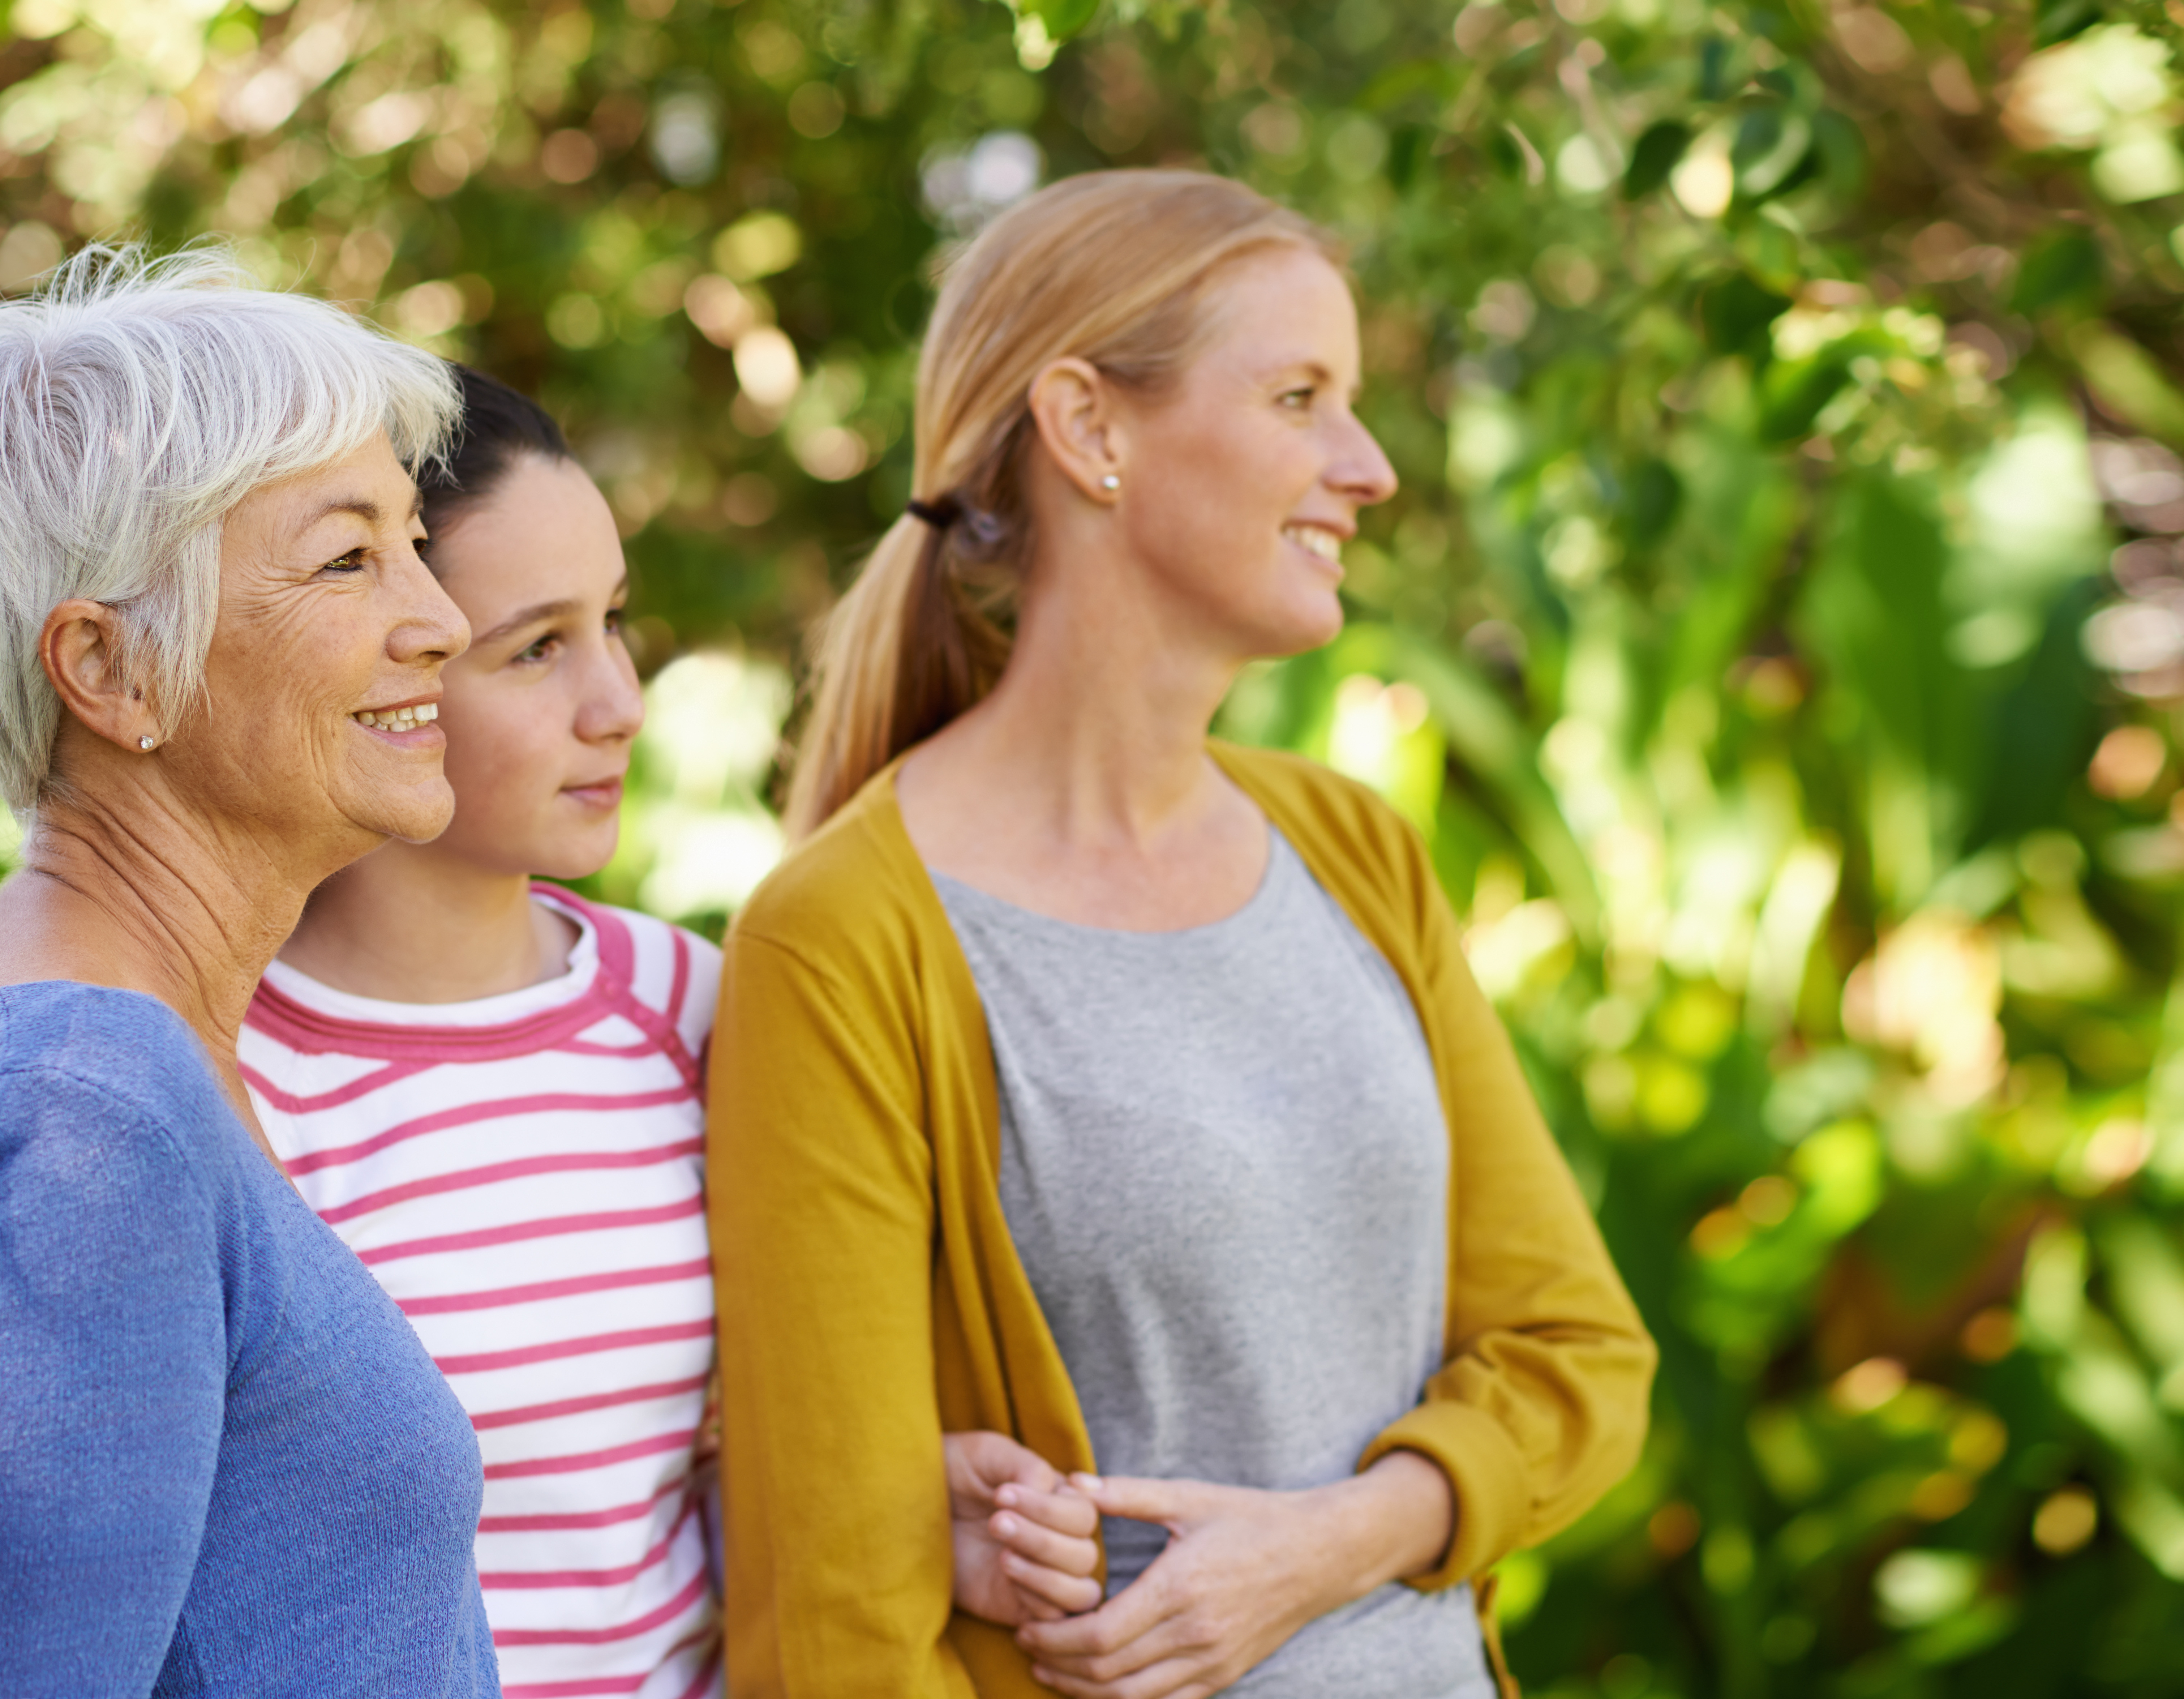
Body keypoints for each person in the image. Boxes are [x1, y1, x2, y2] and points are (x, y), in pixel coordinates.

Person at [704, 170, 1659, 1699]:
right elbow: (841, 1618)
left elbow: (1576, 1351)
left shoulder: (1357, 853)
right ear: (1090, 428)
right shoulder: (844, 943)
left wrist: (1338, 1538)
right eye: (1300, 396)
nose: (1370, 466)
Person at [240, 367, 1104, 1697]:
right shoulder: (227, 1073)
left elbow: (685, 1480)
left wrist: (899, 1517)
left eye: (616, 625)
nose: (620, 701)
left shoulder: (693, 1005)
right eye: (537, 647)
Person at [0, 248, 500, 1697]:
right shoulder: (80, 1114)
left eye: (414, 540)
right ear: (109, 670)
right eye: (349, 557)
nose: (441, 617)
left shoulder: (60, 1038)